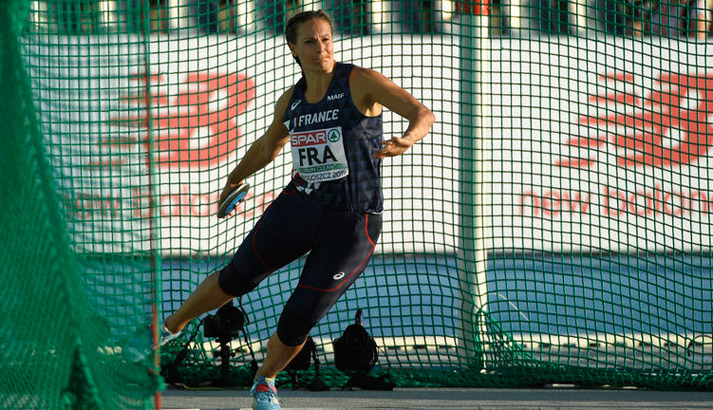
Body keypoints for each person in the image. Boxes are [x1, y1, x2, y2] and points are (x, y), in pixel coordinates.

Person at [160, 9, 435, 410]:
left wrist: (408, 138)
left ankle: (265, 382)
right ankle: (166, 329)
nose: (321, 48)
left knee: (299, 316)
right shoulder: (292, 99)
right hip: (300, 207)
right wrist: (233, 179)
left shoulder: (358, 81)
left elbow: (421, 112)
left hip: (352, 224)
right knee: (238, 276)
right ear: (294, 47)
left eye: (326, 39)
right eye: (310, 41)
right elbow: (267, 147)